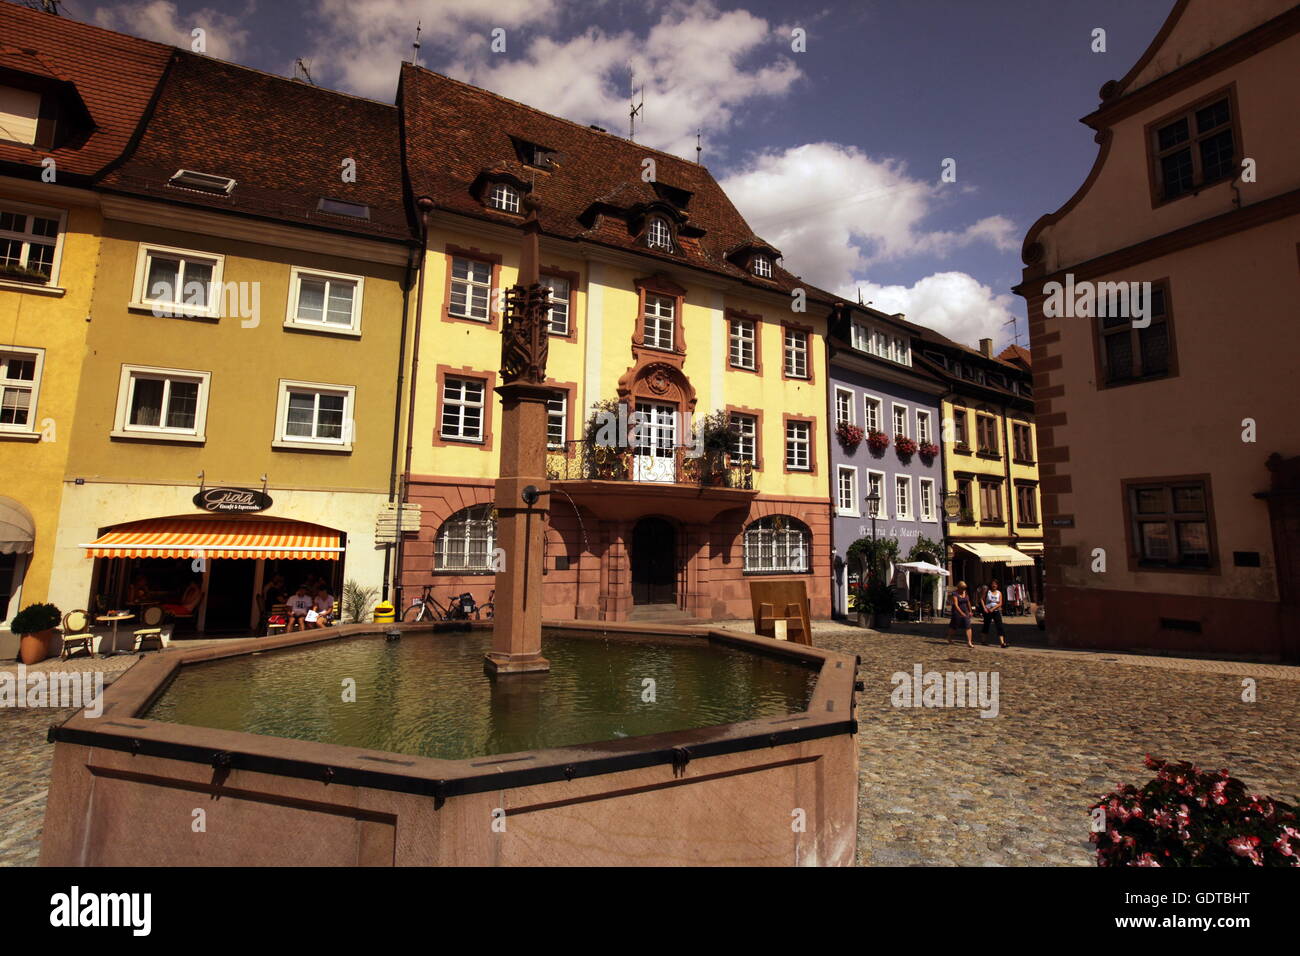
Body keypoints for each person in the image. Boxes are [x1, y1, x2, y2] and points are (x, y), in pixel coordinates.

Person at [946, 581, 974, 648]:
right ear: (958, 587)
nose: (963, 590)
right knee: (954, 626)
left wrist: (970, 611)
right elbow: (956, 605)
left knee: (968, 625)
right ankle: (949, 638)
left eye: (964, 588)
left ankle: (969, 642)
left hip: (965, 611)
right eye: (962, 588)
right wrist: (961, 613)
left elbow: (968, 602)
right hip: (957, 612)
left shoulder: (965, 593)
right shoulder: (955, 593)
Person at [981, 578, 1007, 648]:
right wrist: (984, 608)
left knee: (999, 626)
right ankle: (983, 641)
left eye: (995, 584)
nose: (994, 585)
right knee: (986, 625)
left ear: (997, 585)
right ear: (991, 585)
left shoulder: (999, 593)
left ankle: (1002, 643)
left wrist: (993, 609)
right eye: (993, 584)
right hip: (987, 611)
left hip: (996, 611)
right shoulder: (987, 591)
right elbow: (982, 599)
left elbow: (1000, 603)